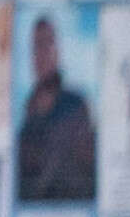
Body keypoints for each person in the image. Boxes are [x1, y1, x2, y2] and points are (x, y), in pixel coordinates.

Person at [17, 19, 95, 203]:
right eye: (37, 46)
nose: (42, 53)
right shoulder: (26, 118)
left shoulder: (76, 107)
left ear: (57, 52)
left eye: (48, 44)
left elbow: (87, 173)